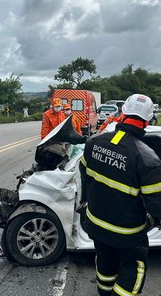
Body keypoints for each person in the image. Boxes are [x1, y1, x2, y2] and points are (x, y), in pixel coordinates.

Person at [79, 94, 161, 295]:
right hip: (127, 234)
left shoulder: (94, 142)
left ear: (122, 113)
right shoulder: (147, 159)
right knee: (133, 271)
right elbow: (157, 205)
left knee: (105, 267)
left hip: (96, 224)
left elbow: (85, 176)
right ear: (149, 119)